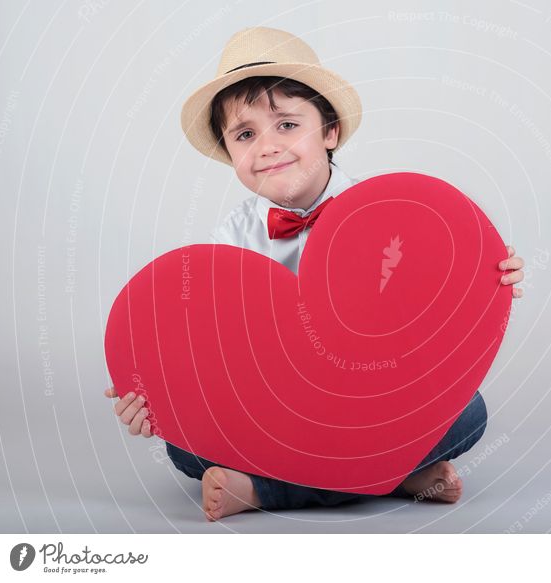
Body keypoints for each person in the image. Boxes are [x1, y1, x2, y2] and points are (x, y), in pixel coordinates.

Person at [104, 27, 525, 521]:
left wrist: (489, 277)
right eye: (245, 134)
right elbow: (205, 343)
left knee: (469, 413)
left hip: (376, 400)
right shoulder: (228, 242)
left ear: (330, 132)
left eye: (286, 125)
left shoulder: (393, 215)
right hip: (283, 413)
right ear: (231, 154)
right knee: (183, 446)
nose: (267, 146)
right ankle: (399, 478)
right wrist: (153, 386)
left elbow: (440, 304)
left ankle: (266, 491)